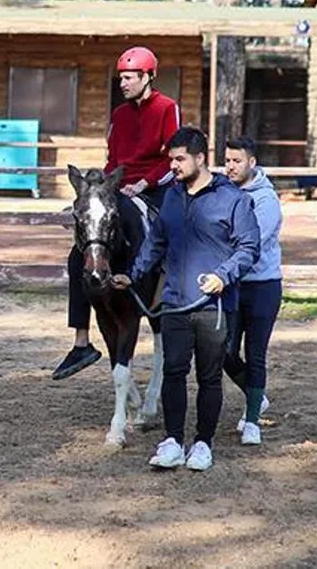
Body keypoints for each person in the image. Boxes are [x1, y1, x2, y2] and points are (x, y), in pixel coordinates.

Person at [112, 127, 260, 472]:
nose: (173, 166)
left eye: (179, 159)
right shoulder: (171, 197)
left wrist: (223, 275)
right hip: (175, 303)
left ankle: (203, 443)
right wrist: (133, 275)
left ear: (200, 158)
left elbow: (249, 247)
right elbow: (156, 243)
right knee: (174, 373)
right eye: (171, 159)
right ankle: (173, 441)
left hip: (214, 307)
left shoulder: (233, 199)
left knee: (209, 377)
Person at [53, 46, 182, 381]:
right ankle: (82, 341)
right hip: (119, 189)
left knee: (172, 239)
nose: (122, 84)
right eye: (121, 78)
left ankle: (171, 300)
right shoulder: (120, 114)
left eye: (129, 78)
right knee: (80, 251)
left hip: (154, 189)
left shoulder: (167, 108)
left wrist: (143, 183)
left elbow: (172, 159)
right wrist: (104, 187)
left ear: (148, 77)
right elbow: (113, 160)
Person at [222, 137, 283, 446]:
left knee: (255, 354)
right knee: (223, 351)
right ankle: (256, 396)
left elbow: (250, 243)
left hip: (262, 286)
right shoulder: (223, 191)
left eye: (237, 161)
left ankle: (252, 422)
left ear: (252, 163)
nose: (231, 167)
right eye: (227, 161)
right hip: (232, 285)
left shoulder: (266, 200)